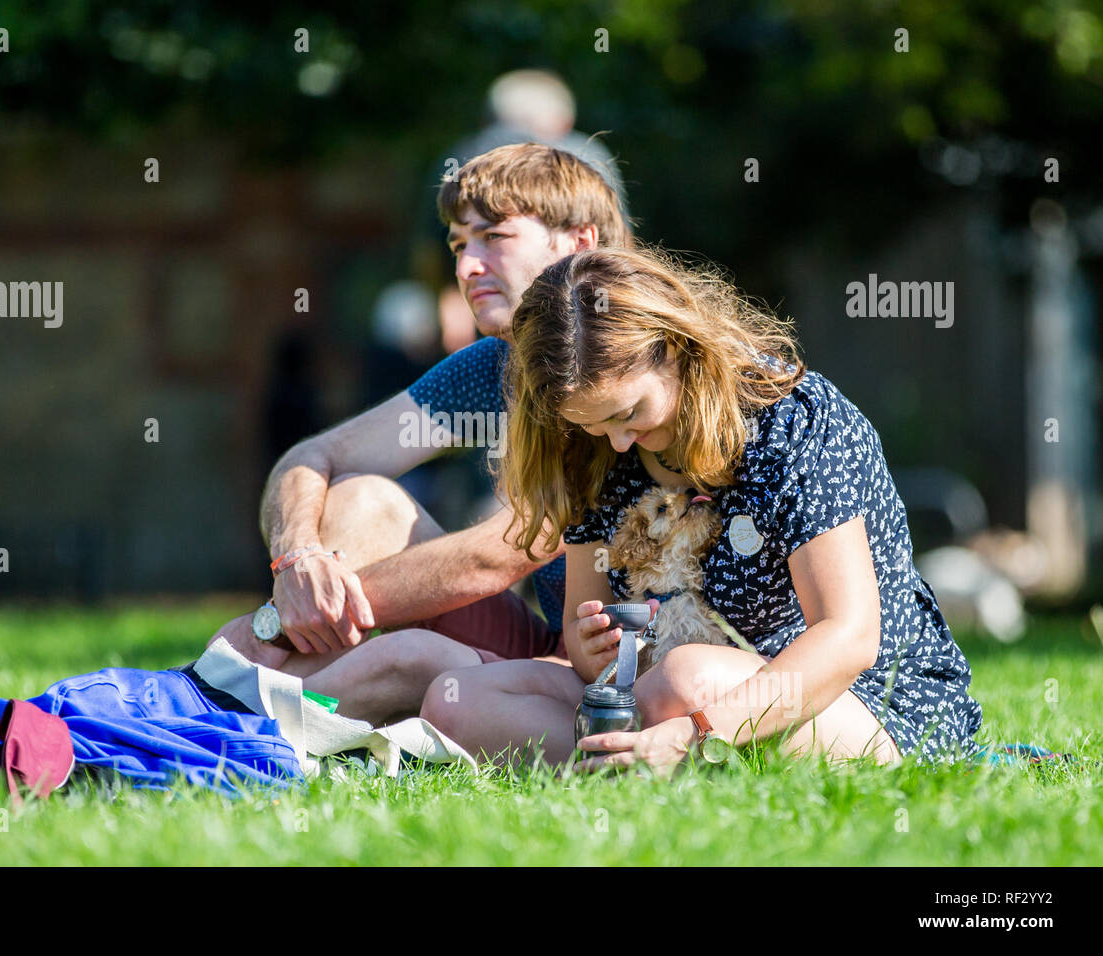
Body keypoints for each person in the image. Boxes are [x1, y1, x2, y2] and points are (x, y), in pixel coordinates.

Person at [419, 246, 984, 770]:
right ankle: (633, 759)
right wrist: (595, 650)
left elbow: (848, 638)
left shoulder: (793, 424)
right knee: (461, 703)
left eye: (627, 413)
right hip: (661, 691)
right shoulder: (592, 453)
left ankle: (660, 751)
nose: (616, 442)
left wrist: (695, 731)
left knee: (684, 680)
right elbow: (586, 632)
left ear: (670, 347)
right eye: (592, 424)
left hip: (859, 699)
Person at [207, 143, 633, 726]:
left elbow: (503, 553)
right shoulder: (494, 363)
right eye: (459, 245)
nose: (465, 267)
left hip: (630, 673)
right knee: (361, 500)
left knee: (408, 659)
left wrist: (285, 620)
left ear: (578, 243)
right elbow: (315, 455)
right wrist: (298, 561)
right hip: (552, 651)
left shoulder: (622, 360)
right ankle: (230, 706)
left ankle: (226, 709)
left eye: (494, 238)